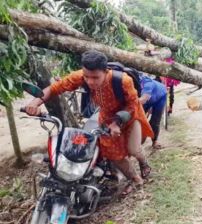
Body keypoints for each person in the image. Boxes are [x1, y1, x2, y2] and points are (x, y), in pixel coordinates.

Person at [24, 50, 152, 195]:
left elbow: (132, 105)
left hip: (130, 116)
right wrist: (35, 103)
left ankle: (143, 162)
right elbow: (54, 88)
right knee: (114, 154)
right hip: (106, 118)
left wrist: (117, 122)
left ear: (106, 71)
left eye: (95, 77)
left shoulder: (123, 80)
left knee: (134, 149)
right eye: (87, 77)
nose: (90, 81)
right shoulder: (81, 77)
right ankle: (135, 179)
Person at [139, 73, 167, 149]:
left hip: (160, 97)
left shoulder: (146, 82)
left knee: (155, 122)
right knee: (139, 120)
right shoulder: (132, 82)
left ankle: (155, 141)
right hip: (145, 100)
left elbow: (144, 98)